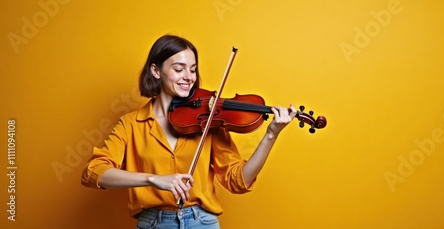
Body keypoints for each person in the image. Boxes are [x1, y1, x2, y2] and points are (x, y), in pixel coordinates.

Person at [81, 34, 297, 229]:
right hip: (153, 223)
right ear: (156, 71)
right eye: (178, 69)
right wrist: (153, 179)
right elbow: (94, 171)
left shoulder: (208, 120)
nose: (189, 77)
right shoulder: (131, 124)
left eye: (193, 69)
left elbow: (238, 180)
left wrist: (271, 135)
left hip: (202, 222)